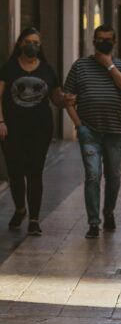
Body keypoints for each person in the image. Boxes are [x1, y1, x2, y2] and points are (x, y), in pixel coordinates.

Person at [0, 26, 74, 236]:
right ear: (19, 44)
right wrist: (0, 121)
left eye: (36, 43)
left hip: (40, 129)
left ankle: (34, 219)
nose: (31, 46)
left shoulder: (48, 70)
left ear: (40, 47)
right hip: (11, 129)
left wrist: (66, 100)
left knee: (34, 172)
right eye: (28, 41)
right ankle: (20, 209)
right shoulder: (8, 68)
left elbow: (56, 98)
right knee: (15, 172)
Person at [64, 25, 121, 239]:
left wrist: (109, 66)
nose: (103, 42)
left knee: (114, 177)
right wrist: (79, 126)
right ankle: (93, 222)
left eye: (107, 40)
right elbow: (67, 98)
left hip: (114, 132)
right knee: (93, 176)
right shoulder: (80, 66)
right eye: (99, 39)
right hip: (89, 132)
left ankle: (109, 212)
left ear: (114, 42)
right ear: (93, 41)